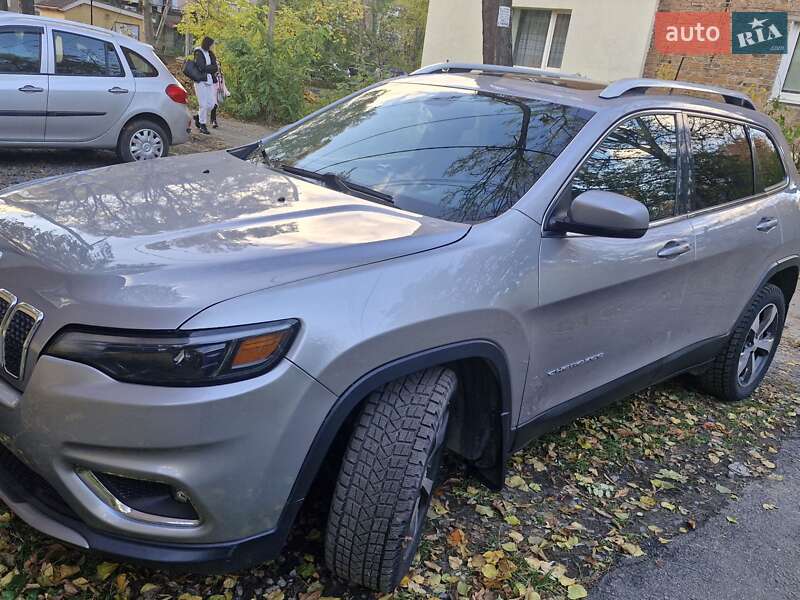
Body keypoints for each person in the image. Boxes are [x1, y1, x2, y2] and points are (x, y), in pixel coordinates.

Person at [192, 36, 218, 135]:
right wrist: (209, 68)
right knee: (203, 104)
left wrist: (208, 67)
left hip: (209, 80)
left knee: (211, 104)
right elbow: (201, 67)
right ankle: (202, 125)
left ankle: (198, 117)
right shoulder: (198, 52)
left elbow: (215, 68)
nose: (213, 46)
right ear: (208, 44)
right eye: (212, 44)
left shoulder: (210, 54)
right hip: (200, 80)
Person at [210, 64, 231, 129]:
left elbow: (223, 85)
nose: (218, 66)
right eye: (216, 64)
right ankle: (214, 121)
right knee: (214, 106)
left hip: (218, 93)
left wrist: (227, 92)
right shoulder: (211, 74)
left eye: (219, 64)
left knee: (213, 107)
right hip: (212, 92)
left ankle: (198, 117)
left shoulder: (221, 75)